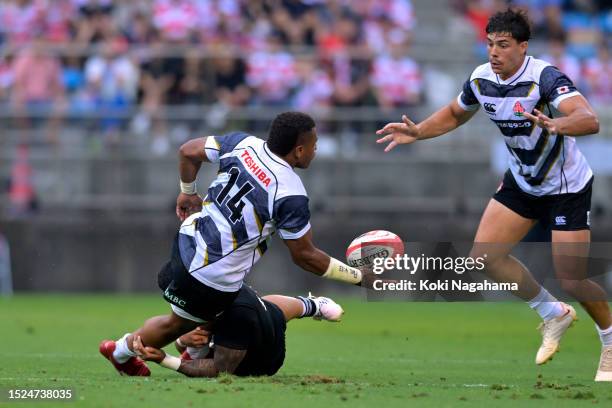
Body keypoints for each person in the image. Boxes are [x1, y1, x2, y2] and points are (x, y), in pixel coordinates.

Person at [375, 9, 612, 381]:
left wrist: (557, 123)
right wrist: (419, 131)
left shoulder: (545, 78)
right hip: (522, 181)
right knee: (484, 257)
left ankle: (610, 342)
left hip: (565, 185)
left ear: (522, 47)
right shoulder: (481, 78)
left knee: (572, 278)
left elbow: (589, 119)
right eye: (490, 44)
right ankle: (554, 314)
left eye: (503, 45)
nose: (494, 52)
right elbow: (456, 113)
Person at [100, 111, 364, 376]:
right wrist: (358, 277)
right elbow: (305, 256)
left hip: (188, 239)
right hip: (211, 274)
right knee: (184, 323)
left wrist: (187, 192)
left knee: (194, 318)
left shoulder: (243, 144)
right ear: (298, 151)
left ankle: (163, 349)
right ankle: (124, 353)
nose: (316, 149)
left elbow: (188, 151)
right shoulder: (290, 193)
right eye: (313, 144)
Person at [131, 285, 344, 378]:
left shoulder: (235, 320)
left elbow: (219, 370)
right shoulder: (221, 289)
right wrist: (182, 341)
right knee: (271, 308)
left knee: (266, 312)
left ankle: (312, 305)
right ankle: (312, 305)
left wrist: (164, 359)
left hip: (265, 361)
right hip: (264, 313)